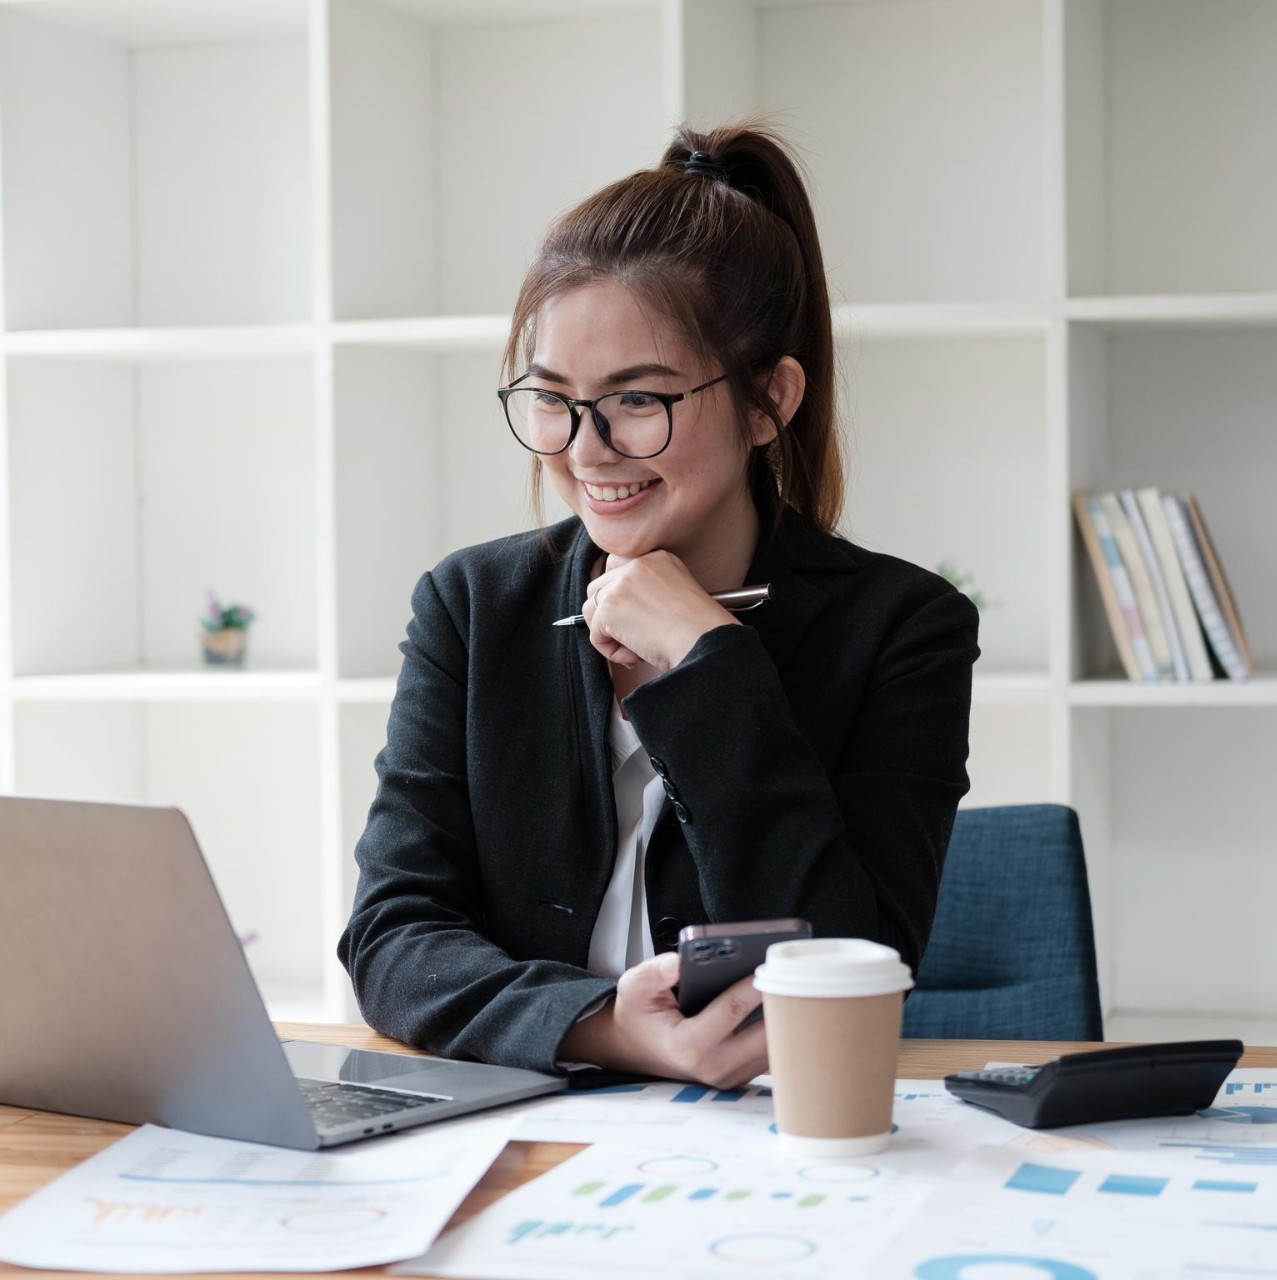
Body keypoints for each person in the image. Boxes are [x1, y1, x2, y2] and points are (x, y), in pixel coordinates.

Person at [338, 123, 979, 1088]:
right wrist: (604, 1027)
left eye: (638, 400)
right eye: (553, 397)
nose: (586, 450)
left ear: (770, 401)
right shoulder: (473, 607)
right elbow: (393, 938)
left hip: (781, 1136)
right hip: (525, 1124)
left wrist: (712, 660)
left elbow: (853, 963)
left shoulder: (901, 628)